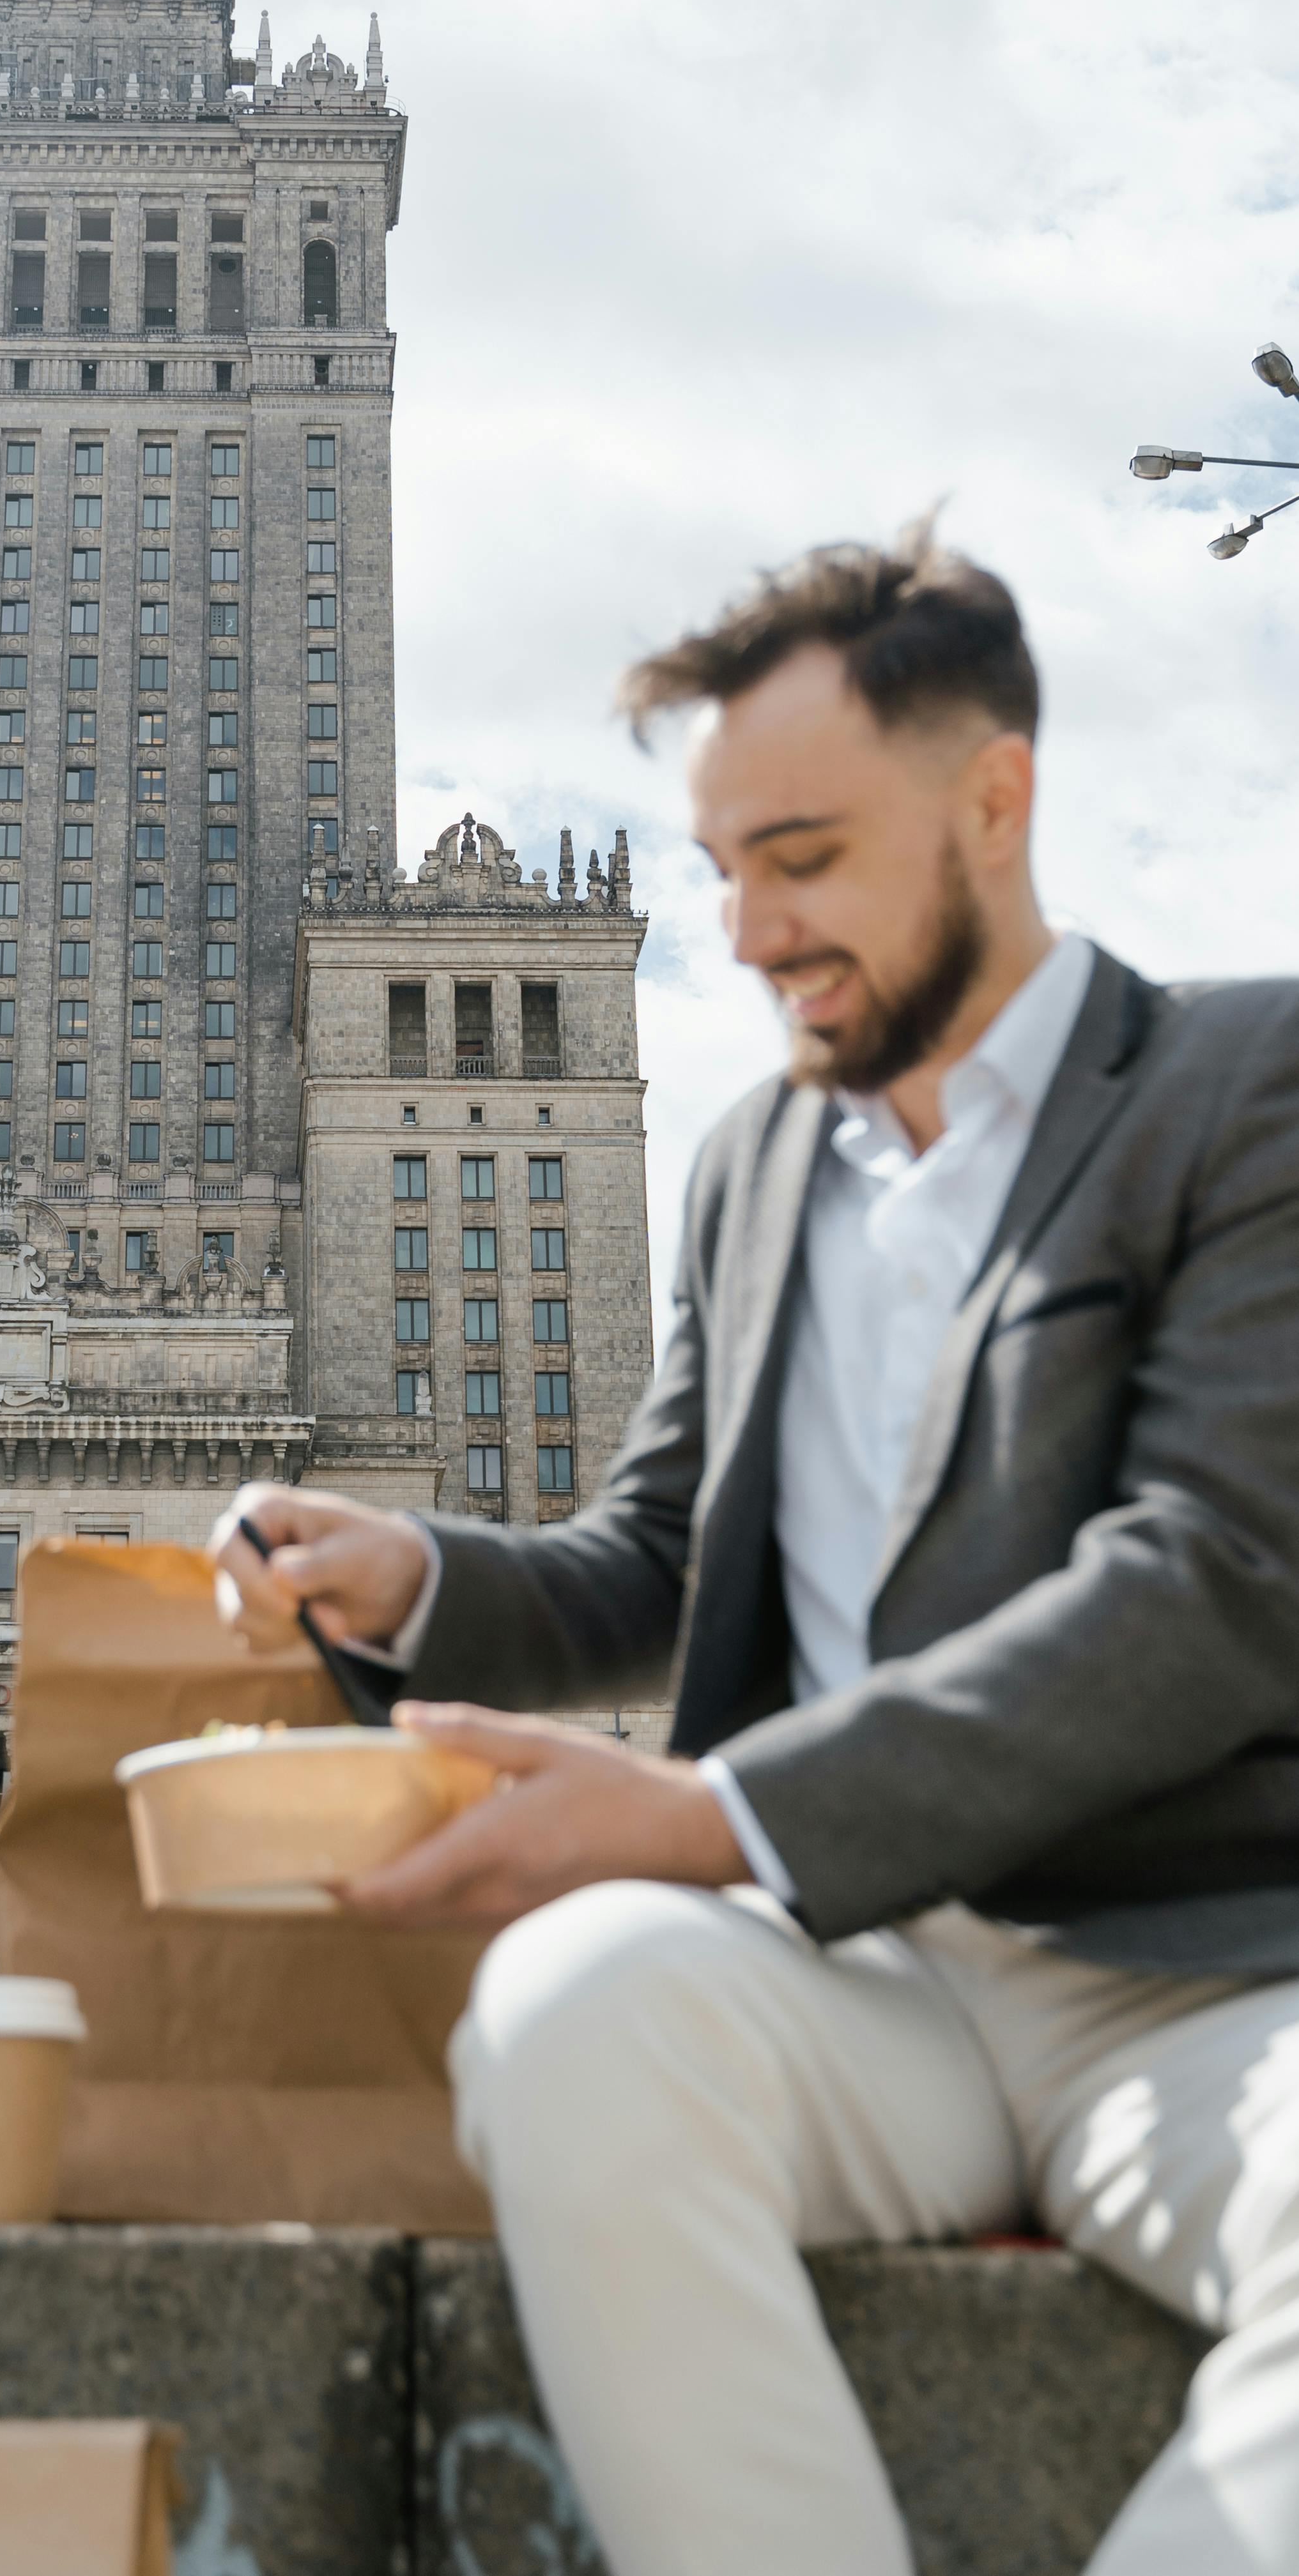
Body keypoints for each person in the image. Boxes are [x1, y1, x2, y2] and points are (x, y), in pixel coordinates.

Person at [213, 526, 1299, 2576]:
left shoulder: (1249, 1085)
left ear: (998, 797)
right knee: (570, 2018)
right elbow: (655, 1553)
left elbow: (1213, 1583)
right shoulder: (756, 1161)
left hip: (1196, 1979)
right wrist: (415, 1572)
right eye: (719, 866)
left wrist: (712, 1811)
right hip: (855, 1980)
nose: (747, 929)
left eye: (799, 854)